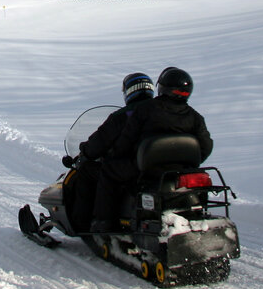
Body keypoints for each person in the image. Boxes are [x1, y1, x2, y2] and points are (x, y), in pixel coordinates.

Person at [89, 66, 213, 233]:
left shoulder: (145, 110)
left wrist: (116, 156)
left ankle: (104, 223)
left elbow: (127, 140)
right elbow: (205, 147)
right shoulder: (195, 117)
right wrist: (187, 164)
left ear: (162, 87)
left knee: (109, 171)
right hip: (181, 171)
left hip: (147, 170)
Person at [62, 72, 154, 233]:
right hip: (167, 167)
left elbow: (99, 142)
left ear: (129, 92)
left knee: (88, 172)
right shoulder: (163, 112)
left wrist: (85, 153)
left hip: (133, 168)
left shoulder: (124, 116)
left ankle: (91, 223)